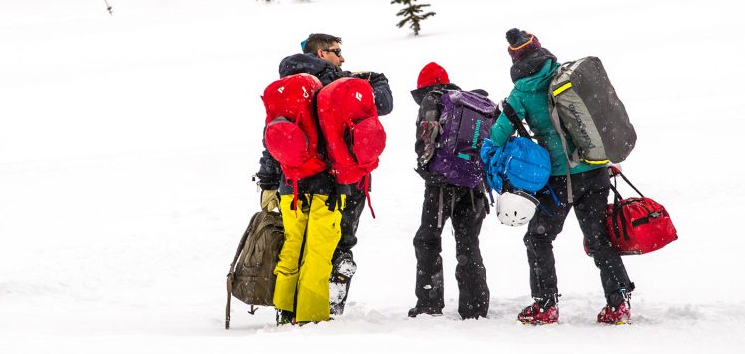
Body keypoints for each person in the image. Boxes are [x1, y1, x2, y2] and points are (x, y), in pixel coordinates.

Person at [487, 29, 634, 325]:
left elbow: (499, 133)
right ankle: (619, 302)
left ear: (515, 57)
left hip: (561, 179)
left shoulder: (522, 91)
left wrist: (487, 150)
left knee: (538, 238)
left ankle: (545, 304)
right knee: (599, 238)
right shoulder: (562, 74)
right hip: (596, 168)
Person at [254, 33, 392, 323]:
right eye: (336, 51)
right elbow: (382, 104)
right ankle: (317, 312)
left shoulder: (288, 88)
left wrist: (267, 181)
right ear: (320, 53)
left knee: (293, 246)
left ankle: (286, 310)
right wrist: (376, 79)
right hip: (330, 183)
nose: (342, 58)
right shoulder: (334, 84)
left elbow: (271, 139)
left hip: (289, 181)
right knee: (329, 248)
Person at [408, 62, 489, 320]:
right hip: (474, 184)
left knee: (427, 240)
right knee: (468, 243)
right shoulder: (466, 102)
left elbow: (426, 140)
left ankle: (429, 304)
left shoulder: (433, 100)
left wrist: (426, 167)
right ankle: (475, 307)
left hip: (442, 185)